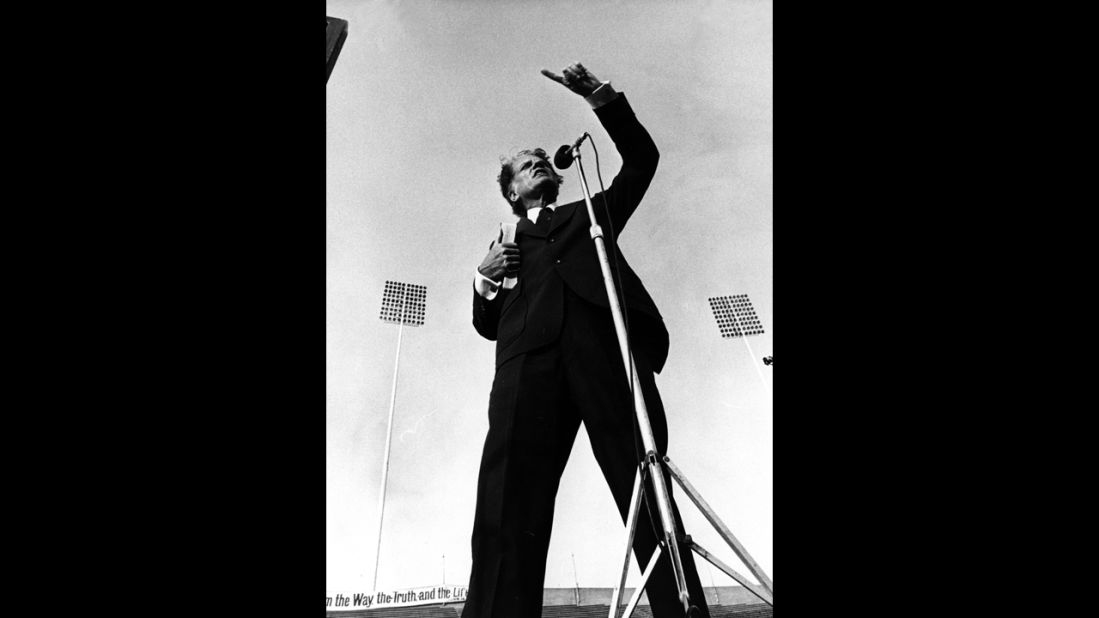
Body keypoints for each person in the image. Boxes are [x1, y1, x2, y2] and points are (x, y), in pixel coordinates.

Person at [464, 62, 710, 618]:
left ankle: (683, 609)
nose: (536, 163)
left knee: (644, 481)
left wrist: (601, 99)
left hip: (606, 352)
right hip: (527, 367)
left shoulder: (590, 212)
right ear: (511, 192)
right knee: (509, 497)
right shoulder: (503, 244)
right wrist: (482, 280)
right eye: (524, 166)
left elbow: (643, 162)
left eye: (538, 159)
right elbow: (486, 325)